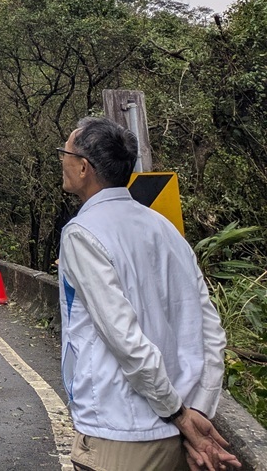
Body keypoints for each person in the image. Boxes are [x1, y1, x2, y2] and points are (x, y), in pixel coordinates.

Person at [58, 116, 239, 471]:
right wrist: (196, 410)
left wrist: (178, 413)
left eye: (64, 153)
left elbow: (124, 339)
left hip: (118, 431)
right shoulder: (165, 229)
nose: (61, 160)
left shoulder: (82, 233)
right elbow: (210, 331)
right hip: (173, 437)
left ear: (83, 168)